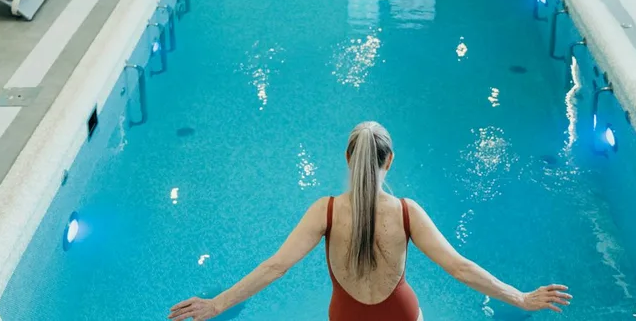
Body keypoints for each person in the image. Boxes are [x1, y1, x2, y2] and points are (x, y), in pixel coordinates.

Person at [168, 121, 571, 320]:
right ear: (389, 161)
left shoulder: (324, 211)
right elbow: (459, 267)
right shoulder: (408, 213)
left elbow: (276, 266)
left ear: (348, 159)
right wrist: (520, 298)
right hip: (401, 313)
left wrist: (216, 305)